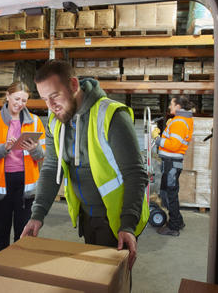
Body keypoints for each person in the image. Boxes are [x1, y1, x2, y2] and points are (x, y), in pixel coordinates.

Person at [21, 60, 149, 270]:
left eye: (54, 96)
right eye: (45, 100)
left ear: (73, 85)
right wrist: (37, 214)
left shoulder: (112, 115)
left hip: (116, 219)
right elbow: (52, 168)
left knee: (112, 281)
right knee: (94, 278)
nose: (50, 107)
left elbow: (135, 174)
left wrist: (127, 224)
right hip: (87, 217)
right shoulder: (56, 121)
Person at [0, 81, 46, 253]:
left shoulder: (35, 122)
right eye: (16, 99)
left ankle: (18, 266)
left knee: (23, 230)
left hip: (26, 184)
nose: (20, 104)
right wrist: (1, 148)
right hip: (0, 183)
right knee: (2, 228)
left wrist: (34, 149)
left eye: (24, 101)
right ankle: (1, 264)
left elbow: (42, 153)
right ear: (7, 96)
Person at [155, 96, 194, 237]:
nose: (170, 107)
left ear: (178, 106)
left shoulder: (179, 122)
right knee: (170, 193)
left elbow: (174, 145)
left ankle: (174, 227)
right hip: (172, 163)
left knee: (169, 194)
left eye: (171, 104)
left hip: (171, 163)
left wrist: (158, 139)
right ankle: (178, 221)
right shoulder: (183, 120)